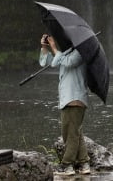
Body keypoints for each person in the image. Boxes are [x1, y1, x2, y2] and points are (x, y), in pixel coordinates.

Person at [39, 33, 91, 176]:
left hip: (75, 99)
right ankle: (84, 163)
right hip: (67, 99)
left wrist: (54, 47)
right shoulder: (69, 52)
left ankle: (67, 166)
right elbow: (52, 62)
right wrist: (45, 47)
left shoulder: (81, 52)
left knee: (70, 135)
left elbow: (67, 62)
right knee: (76, 133)